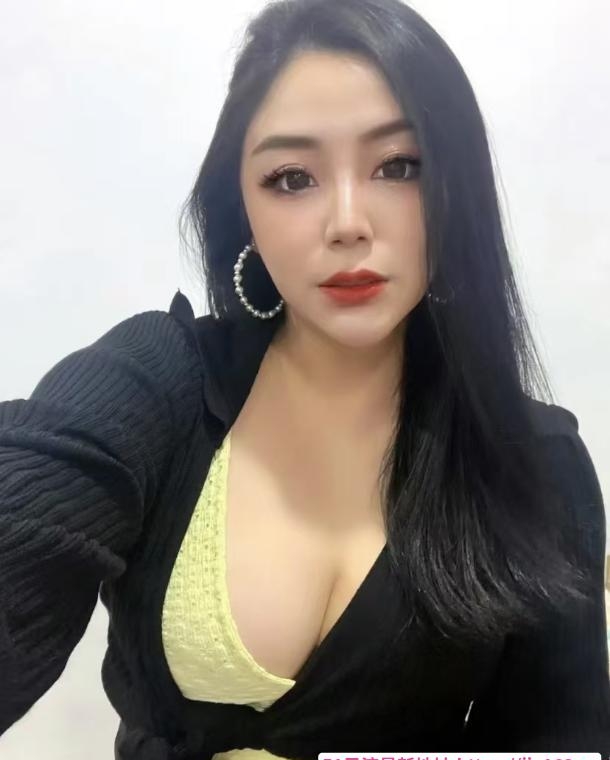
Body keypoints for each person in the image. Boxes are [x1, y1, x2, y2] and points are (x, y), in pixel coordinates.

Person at [1, 0, 609, 757]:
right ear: (243, 206)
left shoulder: (538, 465)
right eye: (292, 178)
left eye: (399, 166)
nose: (347, 222)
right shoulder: (157, 382)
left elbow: (555, 740)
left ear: (458, 189)